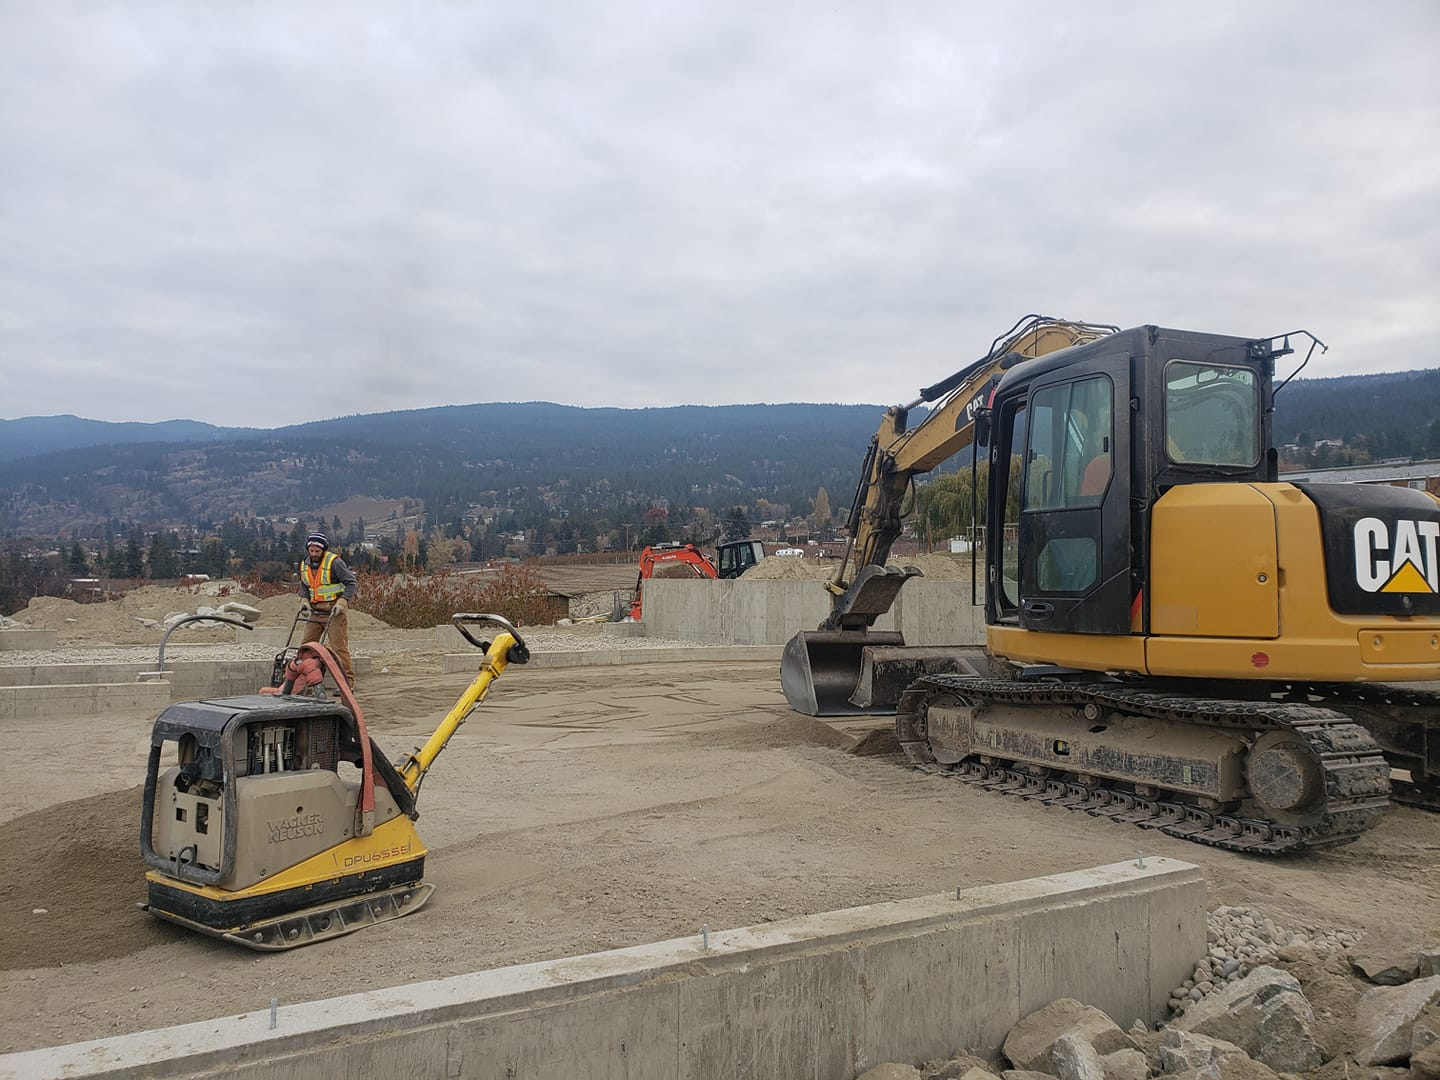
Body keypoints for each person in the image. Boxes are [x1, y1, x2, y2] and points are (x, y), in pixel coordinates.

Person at [297, 532, 358, 688]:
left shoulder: (334, 563)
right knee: (307, 646)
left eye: (317, 551)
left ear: (323, 550)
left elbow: (351, 583)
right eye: (311, 551)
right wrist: (304, 600)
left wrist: (343, 602)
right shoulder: (305, 564)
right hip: (315, 611)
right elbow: (305, 585)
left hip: (334, 610)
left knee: (338, 647)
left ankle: (346, 683)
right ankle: (305, 681)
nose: (314, 554)